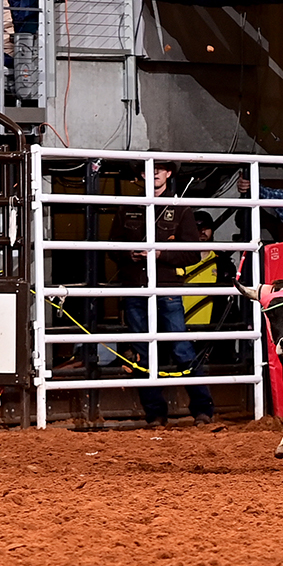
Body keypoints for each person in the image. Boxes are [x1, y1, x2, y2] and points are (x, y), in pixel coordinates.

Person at [116, 161, 216, 426]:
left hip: (165, 287)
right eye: (150, 169)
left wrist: (159, 254)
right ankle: (158, 413)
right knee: (143, 351)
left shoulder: (180, 208)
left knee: (179, 347)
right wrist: (132, 254)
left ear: (168, 173)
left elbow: (193, 253)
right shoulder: (128, 208)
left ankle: (199, 409)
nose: (155, 173)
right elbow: (111, 247)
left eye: (160, 168)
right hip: (138, 287)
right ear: (141, 174)